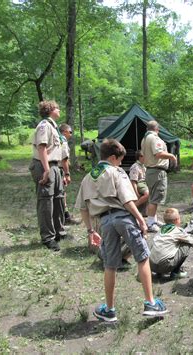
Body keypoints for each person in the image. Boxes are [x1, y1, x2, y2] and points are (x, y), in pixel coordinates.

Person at [75, 138, 168, 321]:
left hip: (104, 223)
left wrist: (90, 231)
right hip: (123, 218)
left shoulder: (87, 177)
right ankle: (150, 303)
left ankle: (109, 309)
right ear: (112, 158)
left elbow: (83, 208)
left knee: (110, 265)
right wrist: (141, 220)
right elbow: (127, 200)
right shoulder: (116, 172)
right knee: (142, 257)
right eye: (119, 160)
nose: (119, 163)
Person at [29, 100, 66, 251]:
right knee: (46, 202)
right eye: (57, 108)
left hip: (55, 166)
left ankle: (58, 232)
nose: (59, 110)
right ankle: (48, 238)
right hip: (45, 165)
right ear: (50, 110)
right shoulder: (44, 125)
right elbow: (42, 148)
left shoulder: (53, 126)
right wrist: (46, 170)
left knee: (57, 199)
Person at [141, 121, 177, 233]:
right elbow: (158, 154)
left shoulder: (144, 139)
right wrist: (172, 156)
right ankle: (151, 223)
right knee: (155, 198)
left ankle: (153, 220)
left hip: (150, 171)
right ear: (157, 129)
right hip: (157, 172)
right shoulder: (154, 138)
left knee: (152, 197)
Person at [149, 208, 193, 278]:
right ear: (176, 220)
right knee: (186, 244)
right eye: (179, 217)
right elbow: (192, 241)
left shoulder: (160, 230)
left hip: (151, 266)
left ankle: (158, 273)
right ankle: (175, 272)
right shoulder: (178, 231)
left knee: (157, 244)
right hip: (165, 267)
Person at [58, 123, 79, 225]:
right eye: (70, 132)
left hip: (56, 169)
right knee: (62, 194)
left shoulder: (57, 138)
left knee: (62, 194)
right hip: (59, 169)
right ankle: (65, 217)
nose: (71, 134)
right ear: (65, 131)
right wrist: (67, 173)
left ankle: (64, 216)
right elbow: (64, 158)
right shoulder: (62, 140)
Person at [129, 150, 149, 216]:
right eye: (144, 156)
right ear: (140, 157)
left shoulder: (144, 166)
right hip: (139, 183)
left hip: (145, 183)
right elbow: (133, 181)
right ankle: (133, 207)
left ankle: (145, 212)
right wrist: (136, 193)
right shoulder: (135, 167)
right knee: (147, 194)